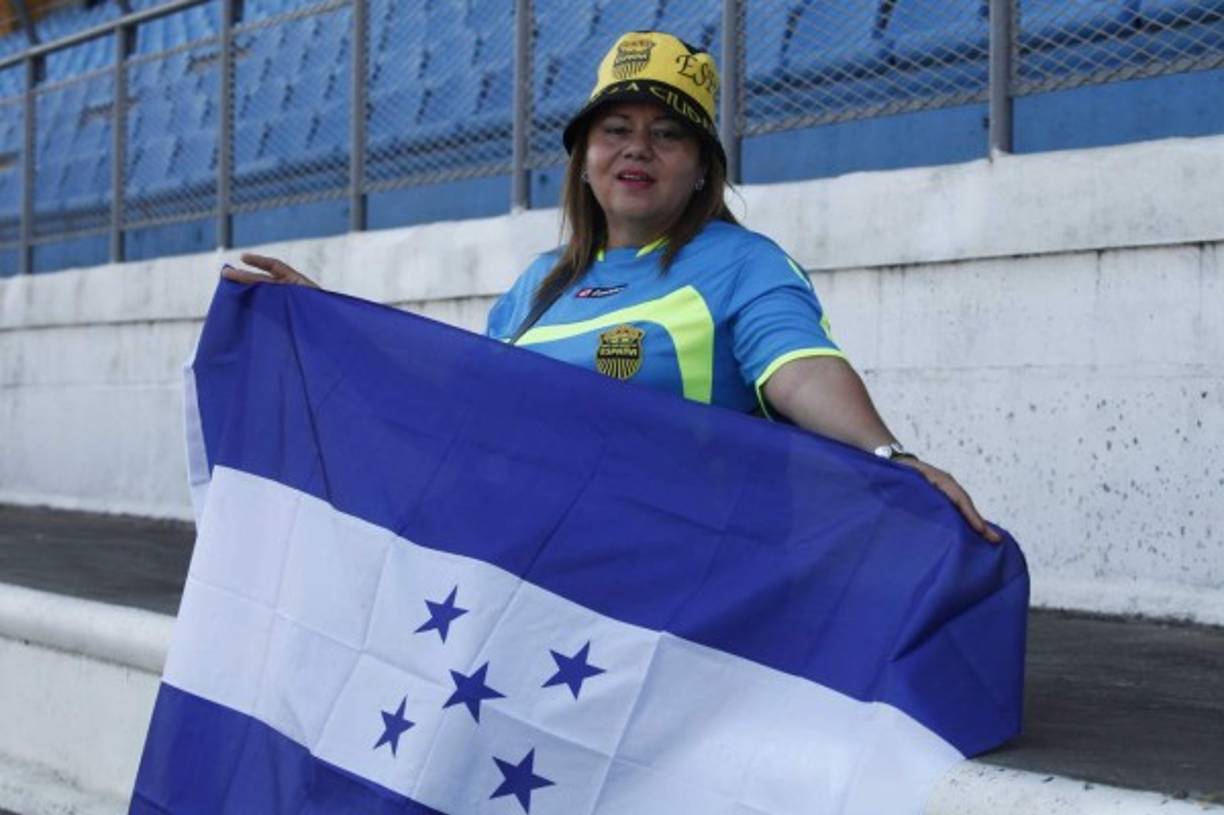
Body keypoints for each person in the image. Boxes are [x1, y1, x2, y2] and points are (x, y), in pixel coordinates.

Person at [224, 30, 1001, 543]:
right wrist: (328, 324)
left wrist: (887, 453)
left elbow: (799, 370)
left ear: (702, 166)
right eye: (615, 130)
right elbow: (465, 399)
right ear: (585, 156)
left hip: (684, 590)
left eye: (668, 134)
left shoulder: (743, 263)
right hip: (546, 577)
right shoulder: (538, 282)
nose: (638, 149)